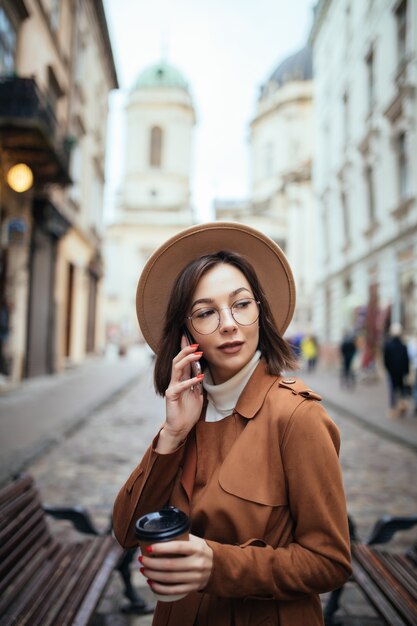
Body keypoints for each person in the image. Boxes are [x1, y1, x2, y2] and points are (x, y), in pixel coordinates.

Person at [112, 222, 352, 626]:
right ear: (187, 333)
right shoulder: (188, 415)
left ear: (260, 311)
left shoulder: (297, 416)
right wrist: (172, 435)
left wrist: (215, 566)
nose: (228, 323)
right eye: (205, 312)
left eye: (241, 304)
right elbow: (128, 530)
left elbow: (329, 562)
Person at [383, 322, 410, 419]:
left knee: (392, 391)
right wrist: (406, 372)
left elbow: (385, 360)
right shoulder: (403, 346)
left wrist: (387, 369)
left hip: (392, 372)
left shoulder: (388, 345)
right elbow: (406, 360)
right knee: (401, 389)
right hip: (401, 372)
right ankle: (402, 405)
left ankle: (393, 409)